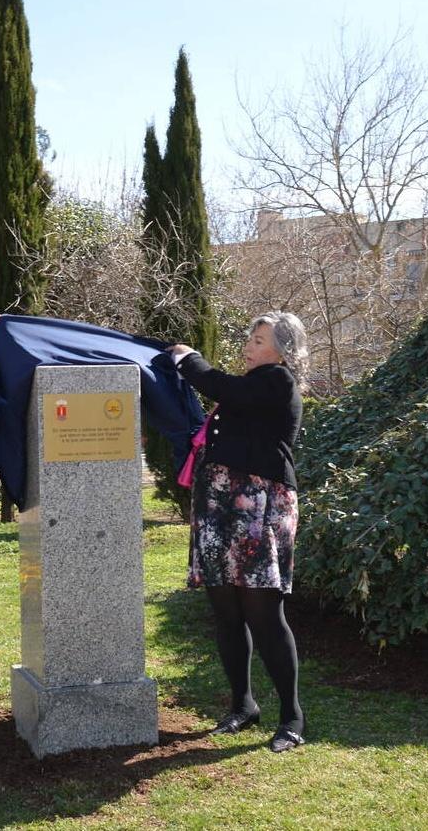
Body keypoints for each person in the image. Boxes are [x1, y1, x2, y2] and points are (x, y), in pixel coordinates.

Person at [168, 312, 309, 754]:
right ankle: (242, 705)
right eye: (250, 337)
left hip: (259, 508)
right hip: (220, 505)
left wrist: (188, 359)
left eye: (260, 339)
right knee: (226, 611)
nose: (249, 345)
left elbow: (223, 386)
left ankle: (292, 717)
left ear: (283, 351)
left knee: (264, 615)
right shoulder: (254, 383)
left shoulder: (277, 380)